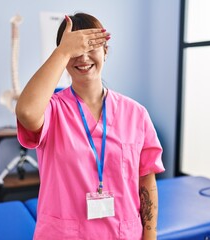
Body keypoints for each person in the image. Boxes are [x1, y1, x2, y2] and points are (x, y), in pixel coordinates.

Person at [15, 13, 165, 240]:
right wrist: (63, 51)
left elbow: (146, 178)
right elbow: (26, 112)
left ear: (105, 51)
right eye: (74, 50)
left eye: (92, 47)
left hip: (123, 234)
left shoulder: (136, 113)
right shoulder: (52, 111)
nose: (83, 57)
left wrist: (150, 235)